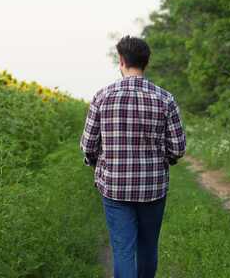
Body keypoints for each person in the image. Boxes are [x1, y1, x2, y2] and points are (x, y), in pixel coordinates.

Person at [79, 36, 186, 278]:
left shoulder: (102, 96)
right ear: (146, 62)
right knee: (148, 248)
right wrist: (165, 159)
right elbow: (178, 147)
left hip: (115, 187)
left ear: (121, 61)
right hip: (153, 187)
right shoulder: (165, 98)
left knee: (123, 251)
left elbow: (88, 145)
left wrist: (98, 162)